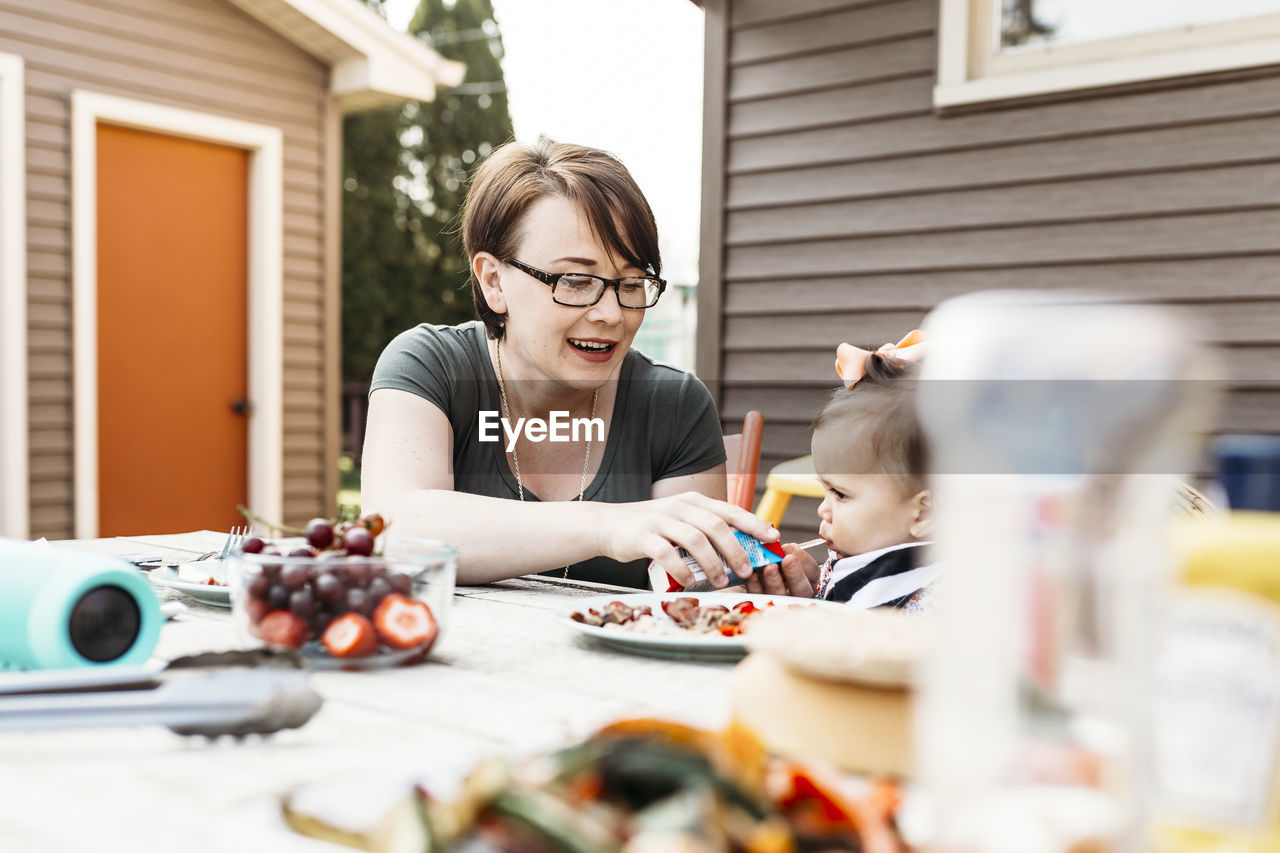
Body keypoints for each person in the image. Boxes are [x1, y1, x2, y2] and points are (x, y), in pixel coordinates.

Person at [360, 140, 777, 588]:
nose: (612, 314)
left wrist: (759, 579)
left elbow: (694, 589)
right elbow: (397, 530)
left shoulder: (674, 404)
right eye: (575, 280)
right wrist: (608, 526)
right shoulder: (430, 367)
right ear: (493, 282)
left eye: (633, 282)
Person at [744, 333, 940, 610]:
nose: (823, 510)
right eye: (825, 491)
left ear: (923, 513)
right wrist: (812, 595)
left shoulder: (936, 601)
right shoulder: (854, 561)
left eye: (840, 494)